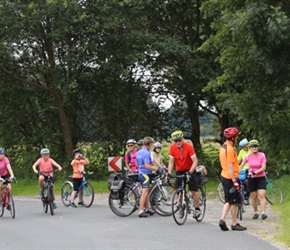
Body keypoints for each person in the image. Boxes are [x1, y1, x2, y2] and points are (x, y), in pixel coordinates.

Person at [167, 130, 201, 218]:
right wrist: (169, 173)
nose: (178, 142)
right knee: (179, 191)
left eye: (179, 140)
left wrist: (191, 171)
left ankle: (197, 209)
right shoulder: (172, 148)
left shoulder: (189, 147)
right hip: (180, 170)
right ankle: (181, 207)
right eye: (176, 141)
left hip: (190, 169)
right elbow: (171, 162)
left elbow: (195, 161)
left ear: (183, 139)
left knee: (193, 190)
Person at [218, 127, 247, 231]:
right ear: (233, 138)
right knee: (233, 201)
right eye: (236, 136)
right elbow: (230, 165)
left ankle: (224, 220)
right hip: (231, 177)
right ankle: (231, 222)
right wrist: (235, 181)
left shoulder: (223, 147)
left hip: (224, 175)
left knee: (229, 200)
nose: (238, 138)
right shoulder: (230, 149)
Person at [239, 139, 268, 220]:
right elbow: (241, 165)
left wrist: (255, 172)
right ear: (250, 148)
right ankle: (255, 212)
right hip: (251, 179)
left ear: (258, 147)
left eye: (255, 146)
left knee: (261, 195)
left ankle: (263, 213)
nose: (254, 148)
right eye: (252, 147)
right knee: (254, 197)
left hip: (261, 177)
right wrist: (236, 172)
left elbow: (263, 167)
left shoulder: (262, 155)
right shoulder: (247, 156)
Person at [136, 137, 162, 217]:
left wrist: (161, 167)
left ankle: (147, 208)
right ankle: (140, 210)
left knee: (146, 192)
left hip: (141, 173)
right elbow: (147, 166)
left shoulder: (139, 152)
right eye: (152, 145)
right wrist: (157, 169)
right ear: (150, 144)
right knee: (145, 192)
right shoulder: (147, 153)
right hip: (145, 174)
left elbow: (137, 164)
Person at [238, 138, 251, 204]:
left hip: (252, 168)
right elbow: (238, 161)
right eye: (242, 147)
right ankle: (246, 197)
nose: (243, 148)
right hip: (244, 170)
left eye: (244, 147)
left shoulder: (251, 150)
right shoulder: (241, 152)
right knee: (245, 183)